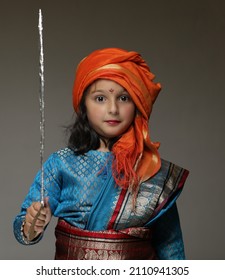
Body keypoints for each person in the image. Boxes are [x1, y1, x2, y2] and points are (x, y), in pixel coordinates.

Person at [13, 47, 189, 260]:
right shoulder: (61, 163)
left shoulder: (151, 171)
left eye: (124, 98)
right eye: (100, 99)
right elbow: (23, 230)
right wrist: (32, 225)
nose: (113, 109)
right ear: (83, 105)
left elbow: (171, 246)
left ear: (137, 104)